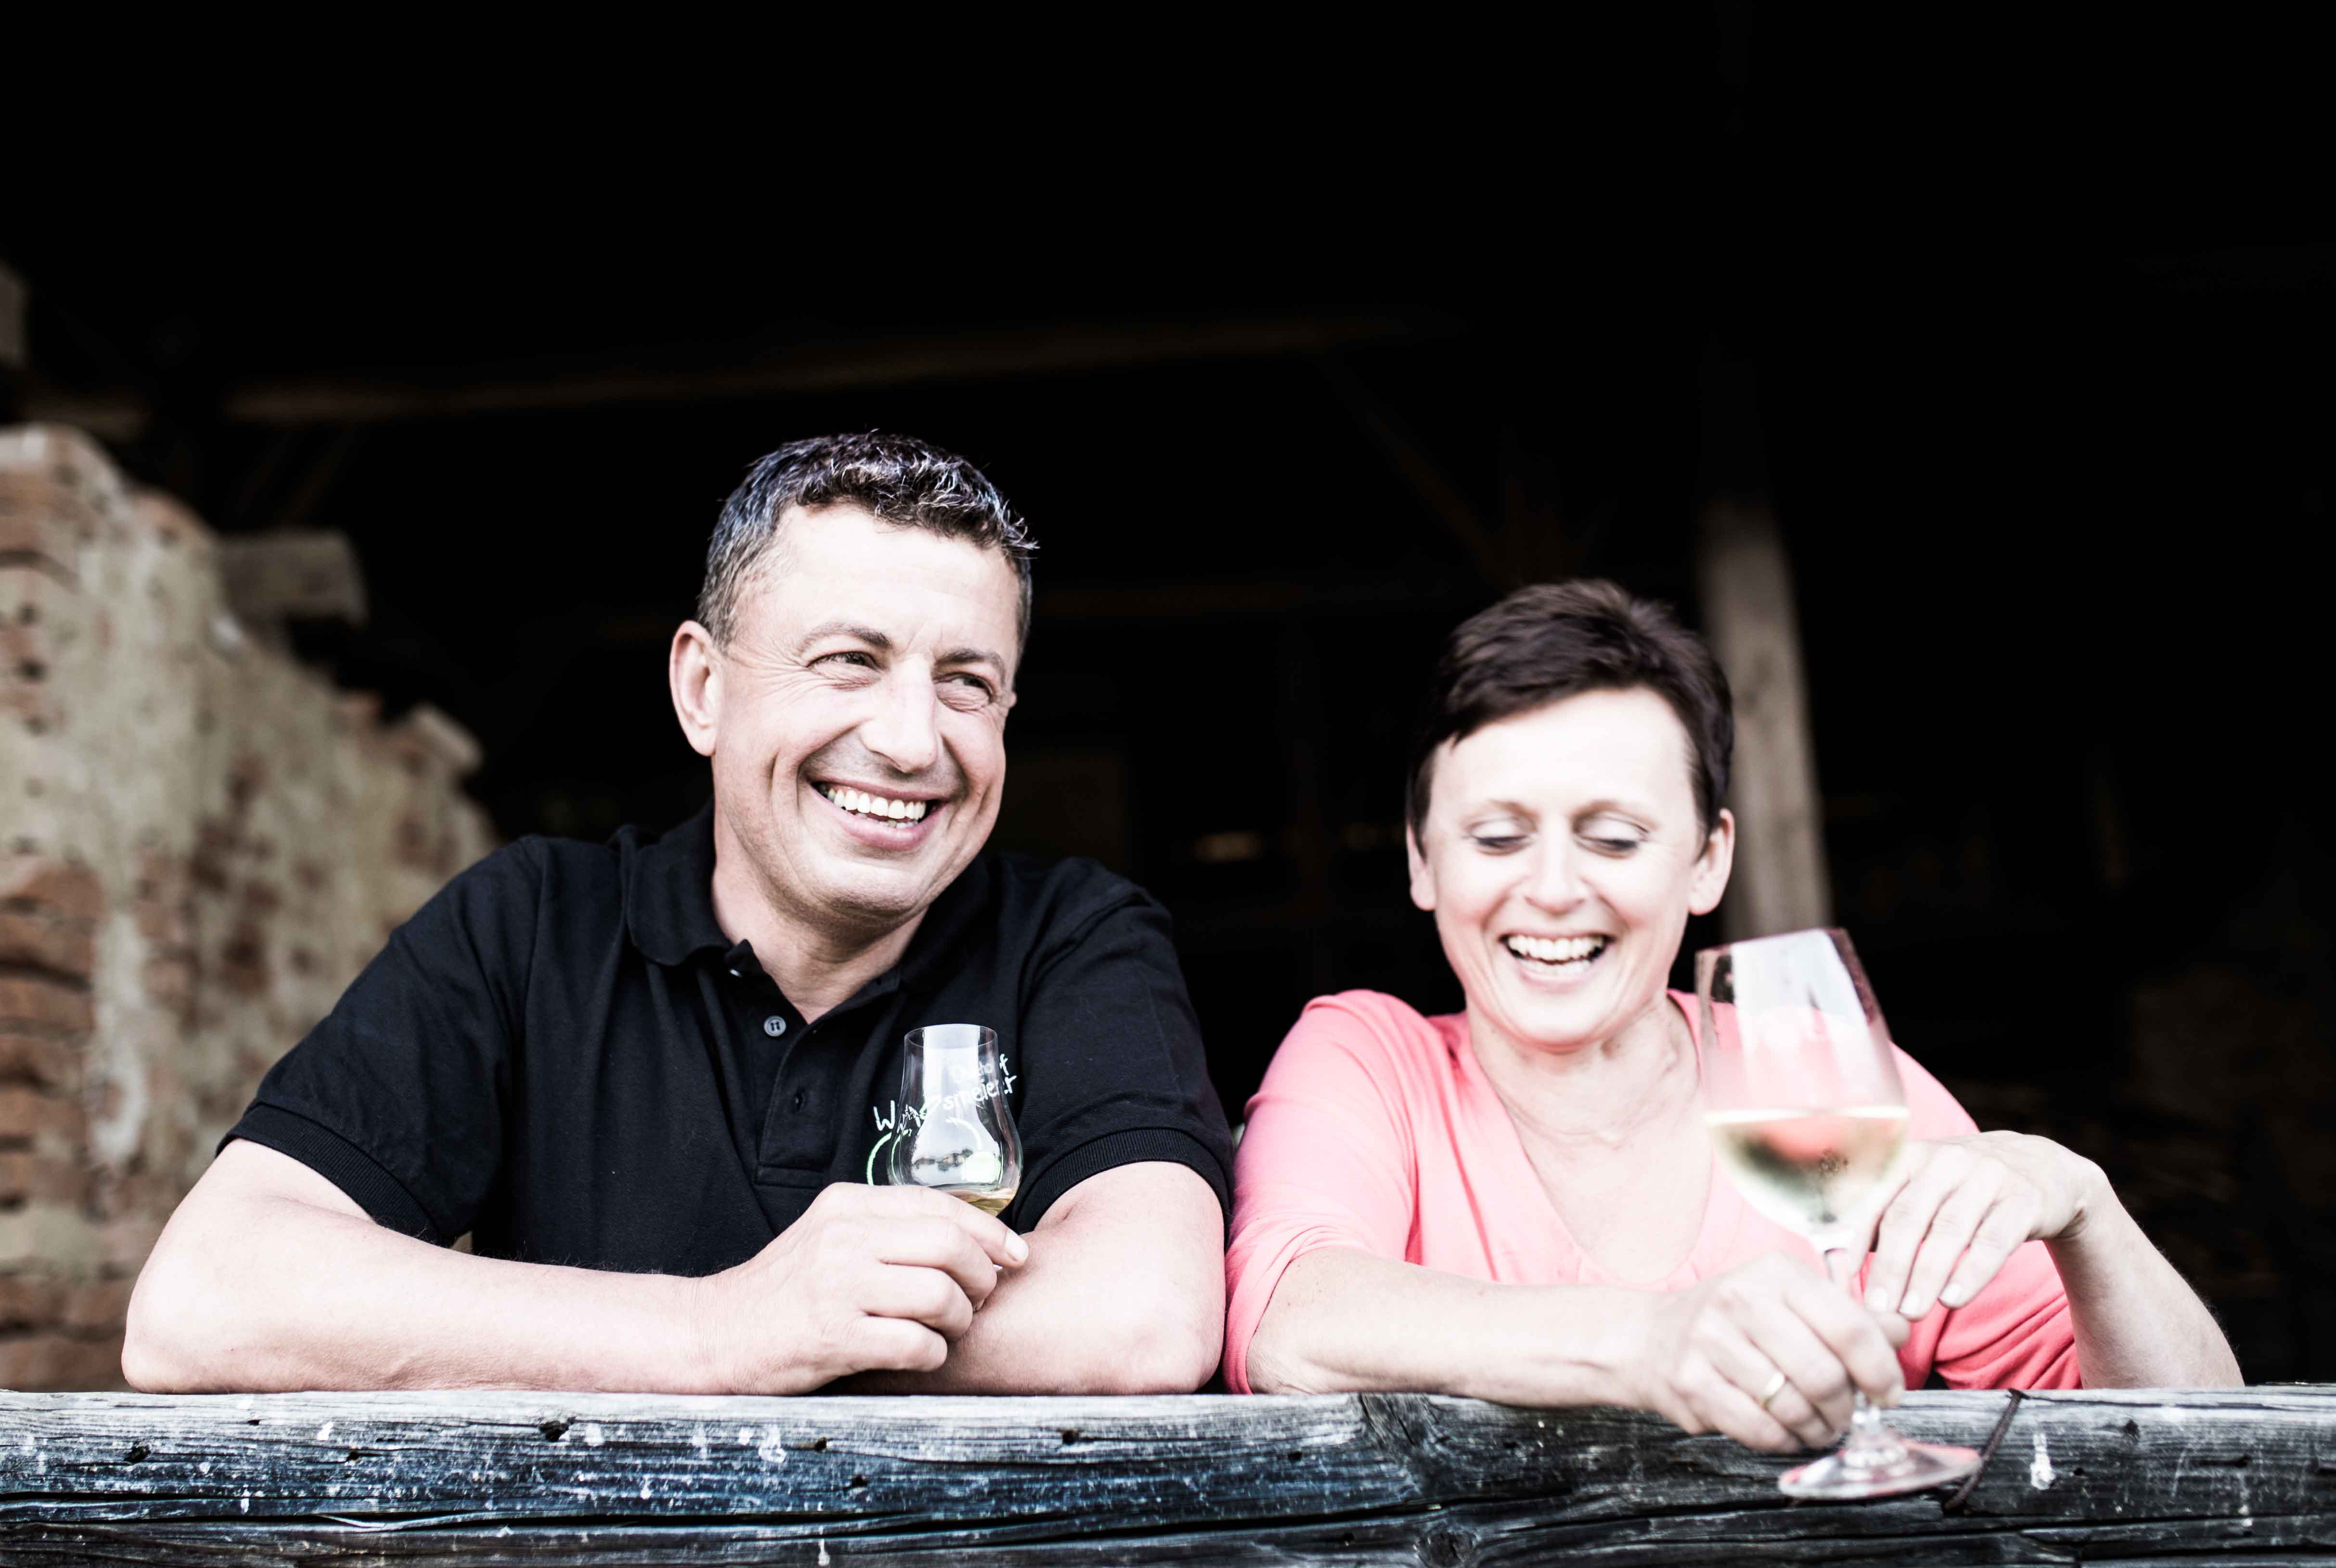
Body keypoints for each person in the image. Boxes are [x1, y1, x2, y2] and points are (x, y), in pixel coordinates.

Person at [125, 433, 1233, 1395]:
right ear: (702, 689)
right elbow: (206, 1295)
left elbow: (1143, 1315)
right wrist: (724, 1329)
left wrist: (809, 1331)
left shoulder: (1077, 937)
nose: (910, 739)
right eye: (850, 661)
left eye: (967, 684)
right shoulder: (531, 924)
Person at [1225, 581, 2239, 1449]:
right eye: (1497, 837)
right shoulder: (1369, 1055)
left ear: (1709, 857)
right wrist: (1652, 1342)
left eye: (1614, 839)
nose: (1551, 887)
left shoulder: (1814, 1073)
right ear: (1419, 858)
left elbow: (2199, 1434)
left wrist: (2089, 1214)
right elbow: (1287, 1318)